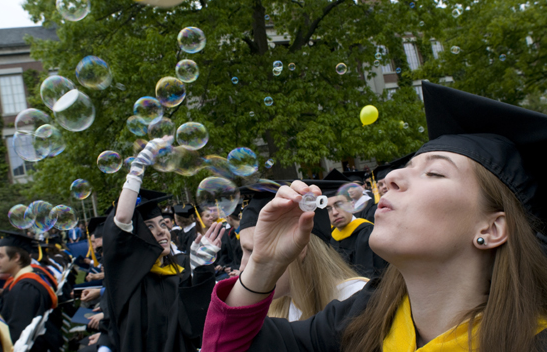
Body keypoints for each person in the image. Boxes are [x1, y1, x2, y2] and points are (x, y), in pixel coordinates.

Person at [201, 81, 547, 352]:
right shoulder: (356, 324)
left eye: (435, 173)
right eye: (405, 167)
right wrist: (263, 265)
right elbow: (230, 346)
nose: (390, 178)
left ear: (493, 227)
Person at [102, 139, 223, 352]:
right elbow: (121, 220)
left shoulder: (180, 270)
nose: (162, 231)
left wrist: (200, 272)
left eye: (162, 224)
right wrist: (138, 168)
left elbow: (198, 331)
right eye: (150, 226)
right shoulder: (126, 278)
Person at [237, 189, 368, 322]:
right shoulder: (277, 310)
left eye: (253, 251)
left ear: (298, 249)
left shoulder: (359, 302)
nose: (241, 268)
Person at [0, 230, 62, 351]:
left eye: (0, 256)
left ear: (16, 257)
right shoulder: (30, 279)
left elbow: (14, 334)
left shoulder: (25, 289)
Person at [326, 192, 388, 278]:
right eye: (328, 209)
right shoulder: (330, 237)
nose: (334, 212)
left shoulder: (367, 233)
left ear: (352, 205)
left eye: (339, 205)